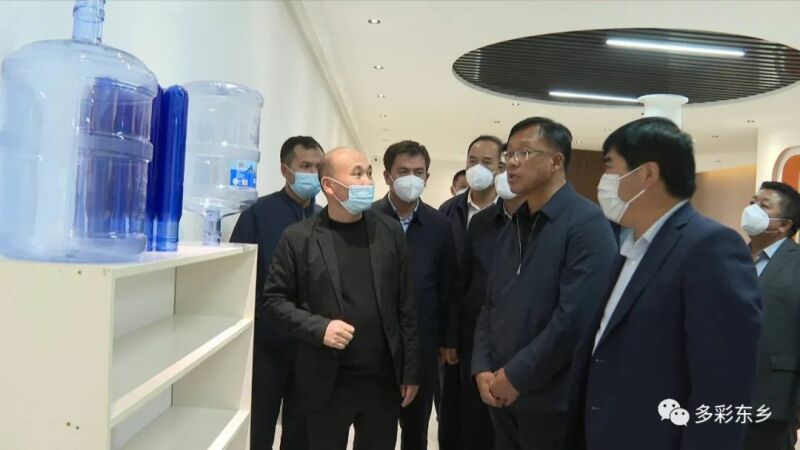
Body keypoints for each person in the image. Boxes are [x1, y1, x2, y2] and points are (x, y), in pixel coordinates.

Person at [565, 117, 763, 450]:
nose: (605, 182)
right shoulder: (630, 248)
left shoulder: (710, 247)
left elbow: (724, 384)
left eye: (610, 167)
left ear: (647, 174)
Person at [471, 117, 617, 450]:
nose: (511, 163)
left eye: (523, 153)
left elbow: (576, 320)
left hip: (554, 403)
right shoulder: (513, 227)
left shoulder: (587, 224)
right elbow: (490, 305)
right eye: (509, 154)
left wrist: (516, 376)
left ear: (556, 161)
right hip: (502, 397)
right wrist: (482, 367)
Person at [262, 147, 420, 450]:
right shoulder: (299, 238)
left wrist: (410, 371)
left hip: (382, 381)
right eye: (357, 174)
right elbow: (273, 301)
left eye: (368, 173)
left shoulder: (389, 232)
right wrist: (320, 328)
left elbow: (407, 306)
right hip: (325, 381)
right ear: (329, 186)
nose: (367, 181)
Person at [230, 135, 324, 450]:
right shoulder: (258, 214)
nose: (313, 173)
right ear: (285, 170)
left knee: (300, 430)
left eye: (318, 167)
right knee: (259, 426)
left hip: (309, 345)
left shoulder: (325, 220)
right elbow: (239, 278)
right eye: (305, 166)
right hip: (266, 344)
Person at [371, 140, 457, 450]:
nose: (411, 178)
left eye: (418, 172)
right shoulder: (367, 218)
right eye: (403, 171)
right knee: (375, 431)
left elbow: (448, 286)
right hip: (375, 345)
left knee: (416, 431)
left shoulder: (440, 225)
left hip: (423, 345)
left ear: (427, 177)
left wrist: (448, 339)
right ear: (387, 176)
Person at [438, 135, 503, 450]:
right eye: (472, 161)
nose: (478, 168)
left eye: (487, 162)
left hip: (495, 329)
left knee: (487, 419)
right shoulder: (448, 212)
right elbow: (450, 279)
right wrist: (449, 335)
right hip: (458, 329)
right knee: (454, 411)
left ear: (501, 167)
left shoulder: (511, 213)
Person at [453, 166, 525, 450]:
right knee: (474, 423)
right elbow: (467, 284)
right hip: (478, 339)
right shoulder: (482, 222)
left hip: (522, 349)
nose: (511, 172)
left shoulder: (553, 224)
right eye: (506, 164)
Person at [743, 182, 800, 450]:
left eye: (763, 206)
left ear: (784, 225)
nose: (752, 209)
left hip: (775, 398)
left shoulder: (796, 264)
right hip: (721, 395)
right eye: (752, 202)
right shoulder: (730, 259)